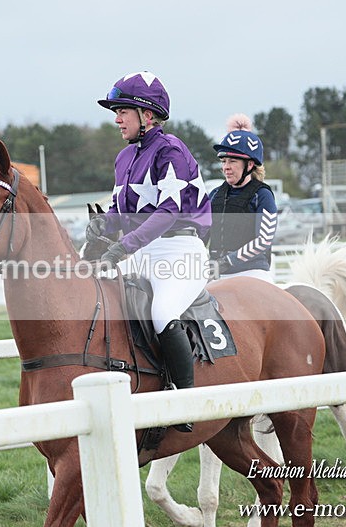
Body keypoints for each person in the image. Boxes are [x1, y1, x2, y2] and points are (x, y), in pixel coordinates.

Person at [87, 71, 212, 431]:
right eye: (116, 112)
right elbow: (119, 211)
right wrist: (103, 225)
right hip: (144, 252)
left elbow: (169, 211)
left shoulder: (171, 150)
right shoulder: (124, 157)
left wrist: (122, 247)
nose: (117, 119)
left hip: (181, 251)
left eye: (122, 111)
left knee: (161, 312)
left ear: (147, 115)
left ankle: (185, 404)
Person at [208, 114, 277, 283]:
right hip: (216, 273)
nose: (226, 167)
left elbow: (263, 240)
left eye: (232, 161)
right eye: (224, 161)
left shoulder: (263, 195)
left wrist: (228, 261)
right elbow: (201, 232)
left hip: (252, 272)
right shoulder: (214, 195)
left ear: (250, 165)